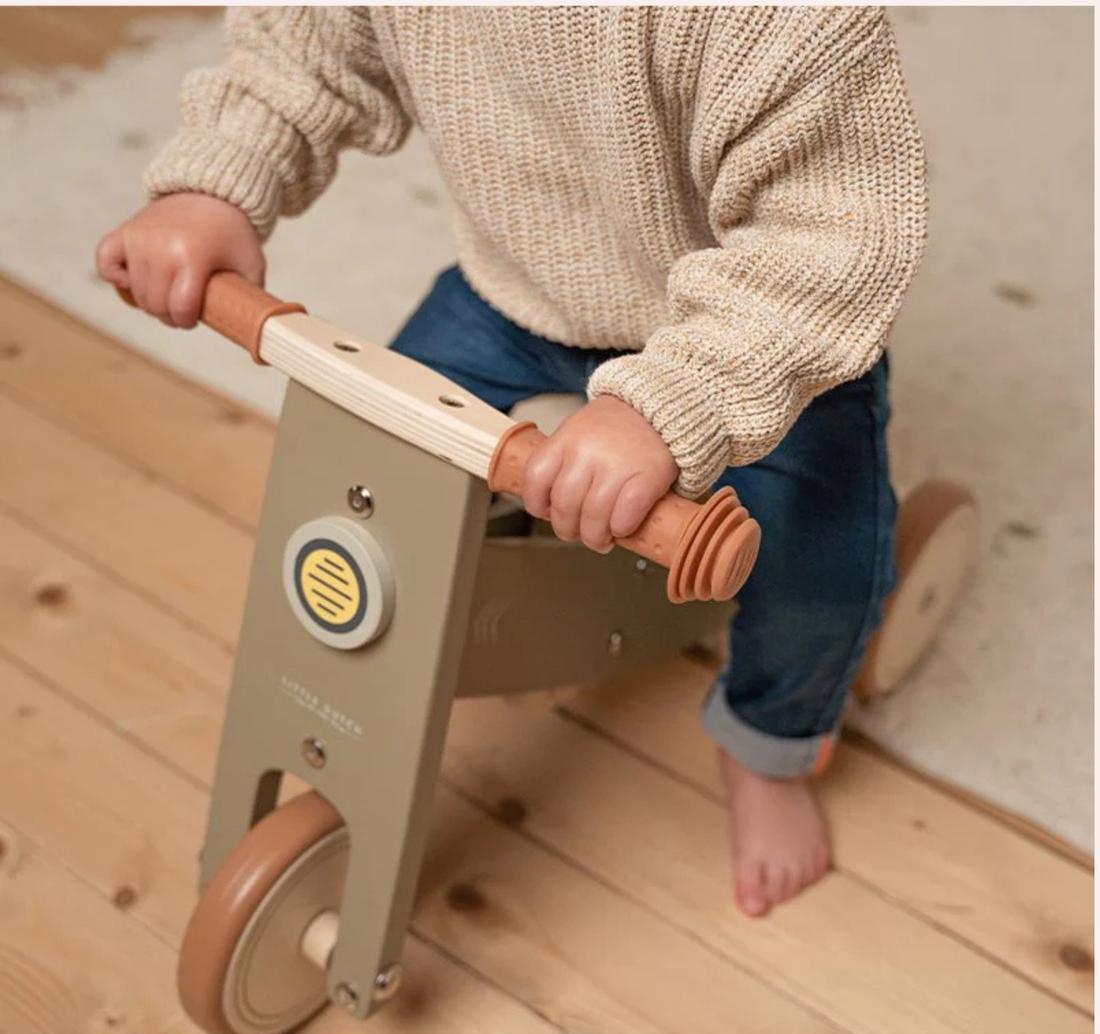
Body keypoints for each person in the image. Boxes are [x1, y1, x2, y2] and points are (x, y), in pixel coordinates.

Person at [96, 7, 927, 917]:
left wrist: (673, 403)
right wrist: (220, 179)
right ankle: (384, 675)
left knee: (816, 557)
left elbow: (834, 238)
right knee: (364, 476)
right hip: (515, 292)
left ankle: (770, 743)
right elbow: (309, 45)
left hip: (738, 324)